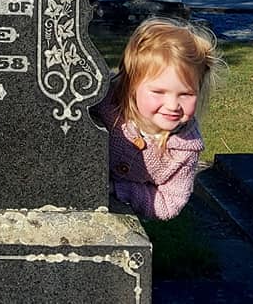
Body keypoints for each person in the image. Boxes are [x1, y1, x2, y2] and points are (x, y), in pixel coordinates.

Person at [94, 17, 223, 221]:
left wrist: (120, 189)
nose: (173, 105)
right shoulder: (107, 103)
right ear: (131, 85)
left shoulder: (184, 150)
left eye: (186, 94)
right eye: (158, 92)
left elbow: (168, 205)